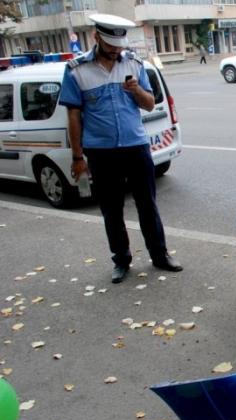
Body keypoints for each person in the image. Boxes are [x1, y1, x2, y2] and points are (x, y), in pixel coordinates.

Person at [58, 13, 182, 283]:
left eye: (119, 46)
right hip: (101, 152)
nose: (115, 51)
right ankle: (121, 260)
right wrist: (78, 157)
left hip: (135, 147)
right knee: (111, 210)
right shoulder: (77, 70)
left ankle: (160, 255)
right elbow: (73, 117)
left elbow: (149, 104)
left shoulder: (134, 64)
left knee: (147, 205)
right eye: (110, 45)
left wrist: (136, 90)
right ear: (96, 37)